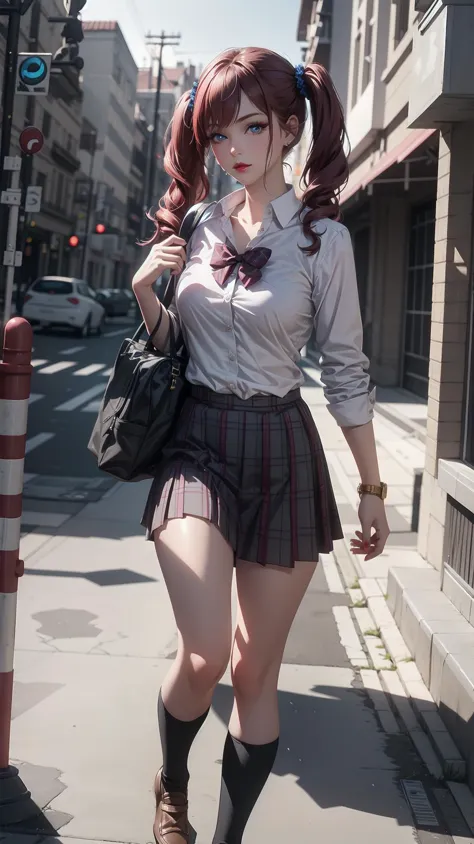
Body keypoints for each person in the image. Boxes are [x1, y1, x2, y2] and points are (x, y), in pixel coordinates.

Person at [132, 47, 391, 844]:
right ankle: (170, 782)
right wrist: (148, 293)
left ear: (288, 129)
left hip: (282, 446)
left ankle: (224, 837)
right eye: (217, 134)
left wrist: (373, 489)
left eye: (249, 127)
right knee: (205, 652)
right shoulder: (200, 224)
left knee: (254, 675)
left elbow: (346, 370)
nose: (232, 148)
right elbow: (173, 347)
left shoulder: (325, 244)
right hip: (198, 440)